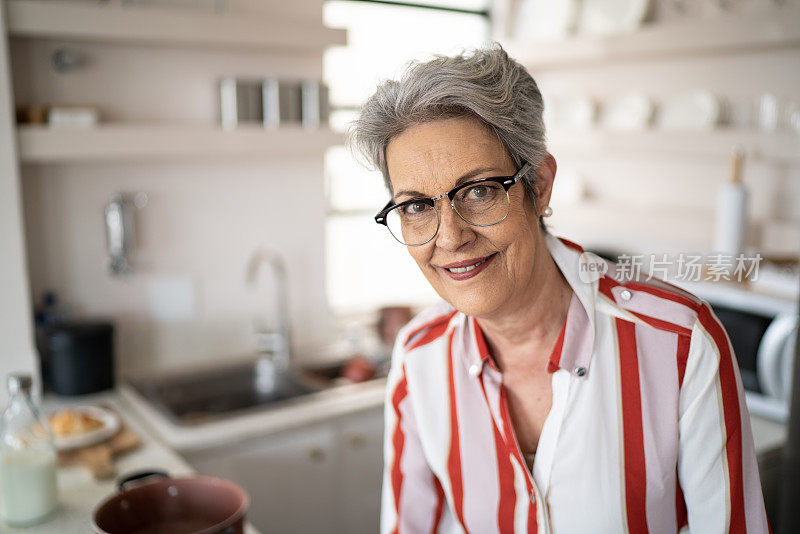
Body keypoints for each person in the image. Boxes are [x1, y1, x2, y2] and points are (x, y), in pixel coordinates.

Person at [349, 44, 769, 533]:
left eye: (480, 191)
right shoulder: (418, 358)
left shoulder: (680, 342)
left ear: (541, 185)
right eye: (417, 206)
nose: (451, 237)